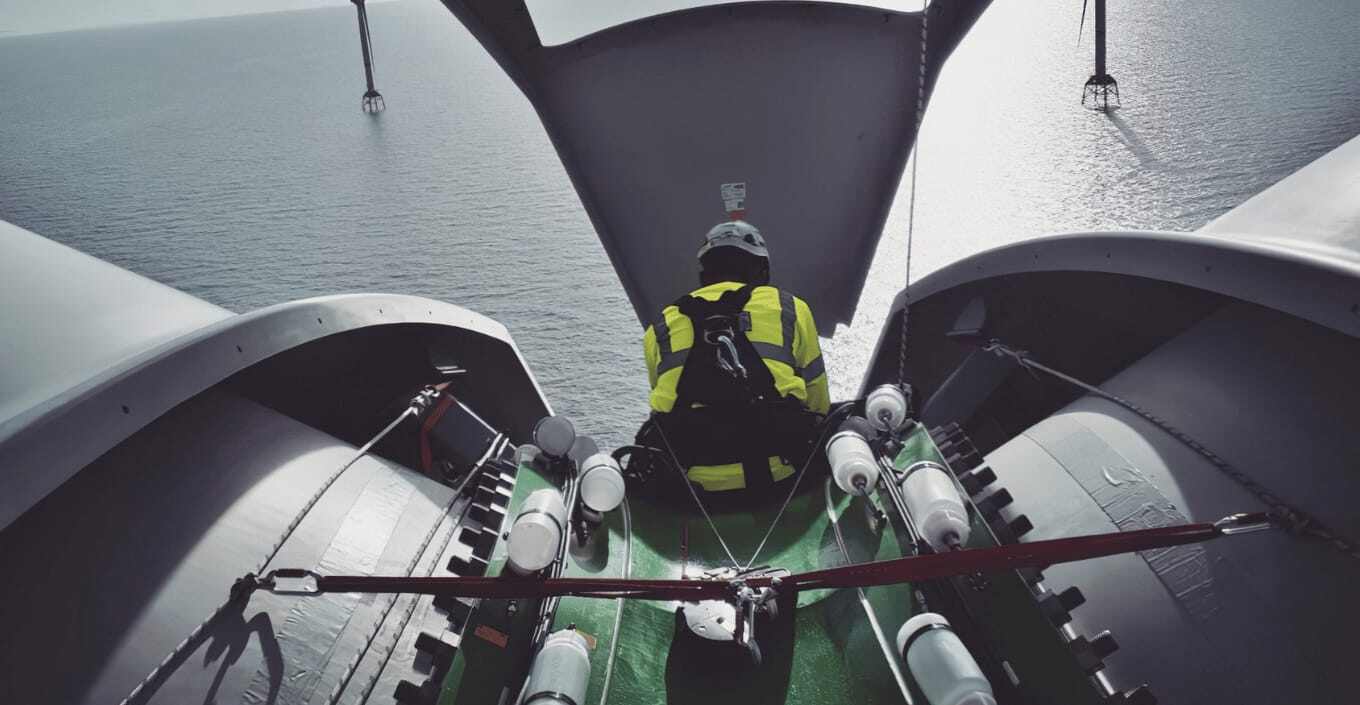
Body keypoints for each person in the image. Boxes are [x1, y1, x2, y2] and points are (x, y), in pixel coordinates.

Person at [639, 219, 829, 494]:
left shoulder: (660, 325)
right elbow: (818, 400)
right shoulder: (790, 308)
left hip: (688, 482)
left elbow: (662, 400)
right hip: (781, 473)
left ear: (704, 276)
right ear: (763, 271)